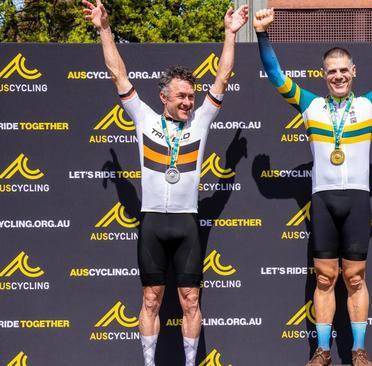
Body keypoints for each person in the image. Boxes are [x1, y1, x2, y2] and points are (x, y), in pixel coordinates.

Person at [253, 7, 372, 366]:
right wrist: (261, 33)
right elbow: (275, 75)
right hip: (322, 201)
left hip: (356, 200)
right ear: (323, 75)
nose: (338, 77)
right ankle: (322, 351)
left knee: (355, 277)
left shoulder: (370, 104)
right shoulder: (311, 105)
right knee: (325, 278)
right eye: (331, 72)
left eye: (343, 71)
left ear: (354, 73)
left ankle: (358, 350)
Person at [81, 1, 248, 365]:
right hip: (153, 220)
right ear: (164, 99)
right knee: (151, 299)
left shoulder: (200, 122)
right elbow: (118, 75)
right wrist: (104, 29)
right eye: (182, 96)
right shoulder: (143, 119)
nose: (189, 101)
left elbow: (223, 76)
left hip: (186, 222)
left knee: (190, 300)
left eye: (191, 95)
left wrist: (230, 33)